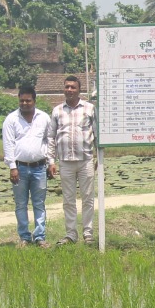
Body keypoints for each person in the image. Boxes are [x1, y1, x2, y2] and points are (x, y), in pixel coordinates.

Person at [3, 85, 53, 246]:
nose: (24, 103)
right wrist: (12, 167)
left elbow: (50, 140)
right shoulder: (11, 119)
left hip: (40, 167)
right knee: (21, 204)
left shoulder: (44, 117)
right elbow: (8, 144)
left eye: (28, 100)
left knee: (39, 204)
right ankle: (24, 237)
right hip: (20, 168)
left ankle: (40, 237)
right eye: (22, 100)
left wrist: (51, 162)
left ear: (34, 101)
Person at [50, 75, 97, 244]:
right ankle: (71, 234)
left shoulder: (90, 109)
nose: (69, 90)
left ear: (79, 90)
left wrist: (98, 158)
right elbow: (51, 137)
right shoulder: (57, 111)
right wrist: (51, 161)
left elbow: (97, 134)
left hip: (86, 160)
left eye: (73, 87)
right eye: (67, 87)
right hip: (65, 162)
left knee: (88, 198)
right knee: (68, 200)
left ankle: (88, 233)